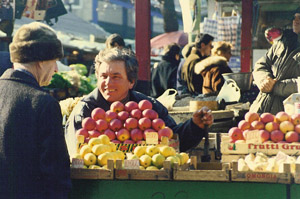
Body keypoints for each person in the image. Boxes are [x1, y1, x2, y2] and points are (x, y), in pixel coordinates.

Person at [65, 48, 213, 157]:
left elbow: (171, 138)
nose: (108, 83)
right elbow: (75, 153)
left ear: (131, 82)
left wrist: (195, 126)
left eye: (116, 77)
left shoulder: (148, 107)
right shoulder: (85, 111)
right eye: (103, 76)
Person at [0, 22, 71, 198]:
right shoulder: (43, 104)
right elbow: (55, 176)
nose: (55, 69)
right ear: (41, 60)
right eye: (54, 61)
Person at [250, 8, 300, 114]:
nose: (296, 21)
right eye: (294, 18)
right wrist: (264, 80)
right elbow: (261, 64)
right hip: (262, 107)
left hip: (290, 115)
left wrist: (274, 86)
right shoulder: (282, 42)